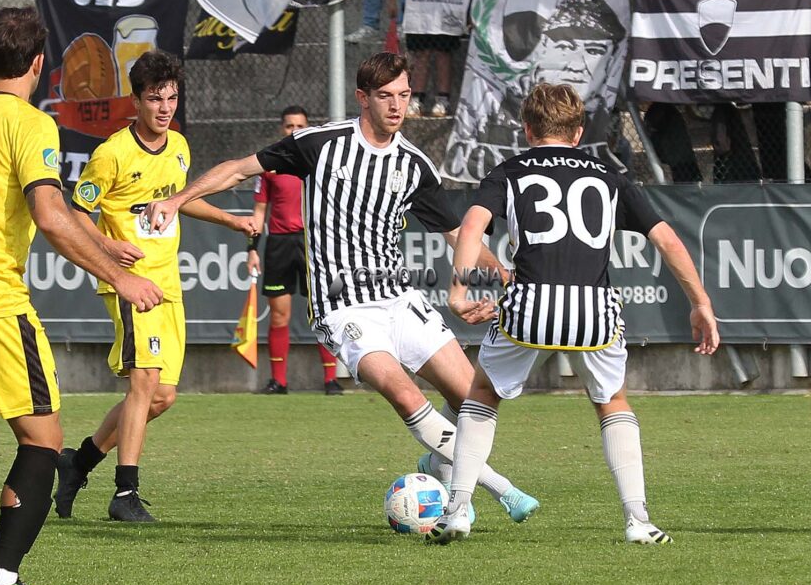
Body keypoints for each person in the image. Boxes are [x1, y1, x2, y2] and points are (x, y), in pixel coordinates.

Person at [144, 52, 541, 524]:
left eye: (404, 95)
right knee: (405, 395)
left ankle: (439, 464)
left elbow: (459, 235)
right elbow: (238, 169)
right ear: (362, 97)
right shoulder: (320, 144)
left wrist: (506, 275)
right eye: (385, 96)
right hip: (344, 307)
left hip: (400, 300)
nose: (397, 106)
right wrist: (178, 199)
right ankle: (501, 490)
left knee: (472, 397)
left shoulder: (414, 165)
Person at [0, 7, 162, 585]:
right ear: (41, 64)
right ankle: (1, 581)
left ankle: (2, 580)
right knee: (44, 441)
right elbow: (49, 215)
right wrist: (118, 278)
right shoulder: (30, 123)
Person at [427, 83, 720, 545]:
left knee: (482, 393)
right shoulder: (609, 176)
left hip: (531, 303)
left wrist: (460, 289)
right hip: (593, 308)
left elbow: (472, 227)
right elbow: (666, 239)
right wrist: (700, 303)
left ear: (527, 130)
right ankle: (639, 520)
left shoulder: (510, 171)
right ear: (579, 132)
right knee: (612, 402)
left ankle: (458, 509)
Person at [53, 51, 255, 523]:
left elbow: (178, 201)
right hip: (130, 285)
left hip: (168, 284)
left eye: (171, 98)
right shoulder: (112, 154)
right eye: (154, 99)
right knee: (143, 380)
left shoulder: (179, 146)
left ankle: (77, 462)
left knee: (161, 396)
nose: (164, 108)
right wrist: (107, 245)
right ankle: (125, 493)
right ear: (136, 101)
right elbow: (75, 212)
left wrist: (230, 220)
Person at [248, 106, 344, 395]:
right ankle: (279, 381)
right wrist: (252, 249)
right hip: (279, 244)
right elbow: (259, 211)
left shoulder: (320, 160)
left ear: (308, 127)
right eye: (289, 126)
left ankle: (331, 380)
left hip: (314, 242)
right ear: (282, 129)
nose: (294, 131)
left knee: (325, 313)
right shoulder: (270, 164)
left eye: (300, 126)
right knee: (279, 315)